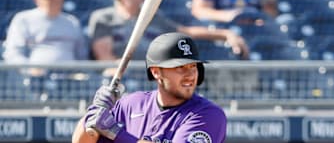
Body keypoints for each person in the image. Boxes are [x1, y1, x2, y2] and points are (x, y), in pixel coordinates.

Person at [72, 32, 227, 143]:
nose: (190, 74)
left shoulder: (208, 114)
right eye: (180, 67)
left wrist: (117, 133)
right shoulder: (130, 105)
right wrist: (92, 114)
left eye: (193, 66)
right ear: (156, 72)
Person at [88, 0, 249, 61]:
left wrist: (225, 34)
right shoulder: (104, 18)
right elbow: (106, 60)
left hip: (151, 80)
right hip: (121, 84)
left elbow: (185, 32)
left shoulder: (153, 16)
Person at [2, 0, 88, 63]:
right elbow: (13, 54)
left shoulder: (72, 22)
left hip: (70, 76)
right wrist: (30, 69)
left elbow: (82, 57)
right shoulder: (23, 19)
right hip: (34, 77)